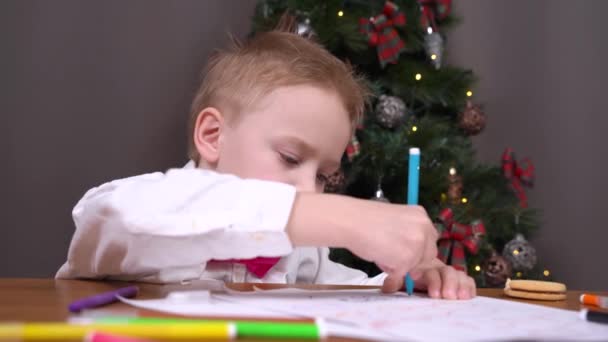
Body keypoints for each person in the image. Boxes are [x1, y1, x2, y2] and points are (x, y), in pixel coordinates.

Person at [57, 30, 475, 299]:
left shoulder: (302, 249)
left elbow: (333, 290)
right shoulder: (148, 206)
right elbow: (117, 216)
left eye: (325, 176)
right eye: (290, 158)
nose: (310, 190)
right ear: (213, 136)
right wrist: (341, 217)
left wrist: (406, 283)